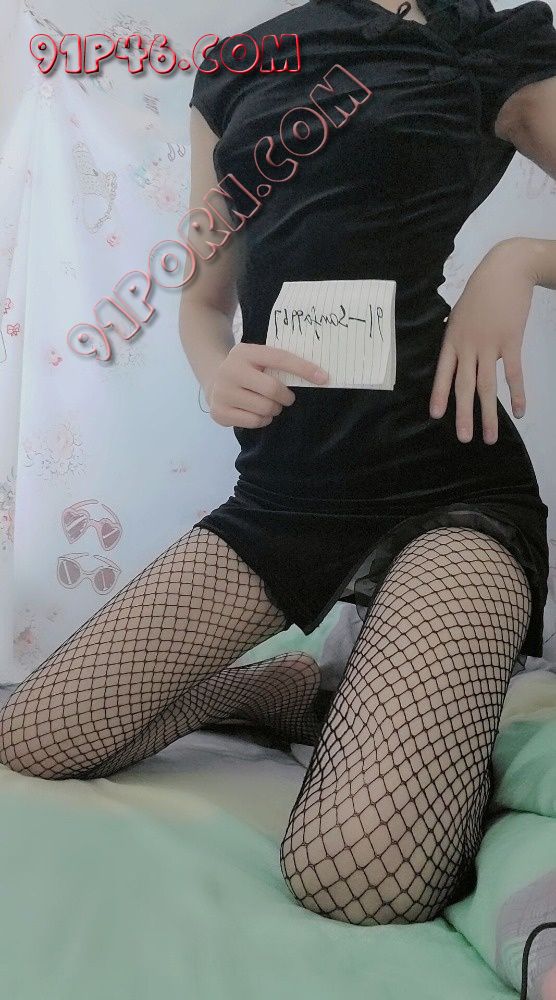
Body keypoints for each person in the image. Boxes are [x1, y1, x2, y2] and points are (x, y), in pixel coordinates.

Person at [1, 0, 555, 927]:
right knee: (35, 736)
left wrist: (521, 258)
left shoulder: (481, 42)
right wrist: (214, 369)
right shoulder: (237, 66)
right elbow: (202, 301)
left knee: (358, 874)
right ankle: (284, 690)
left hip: (451, 483)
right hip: (287, 491)